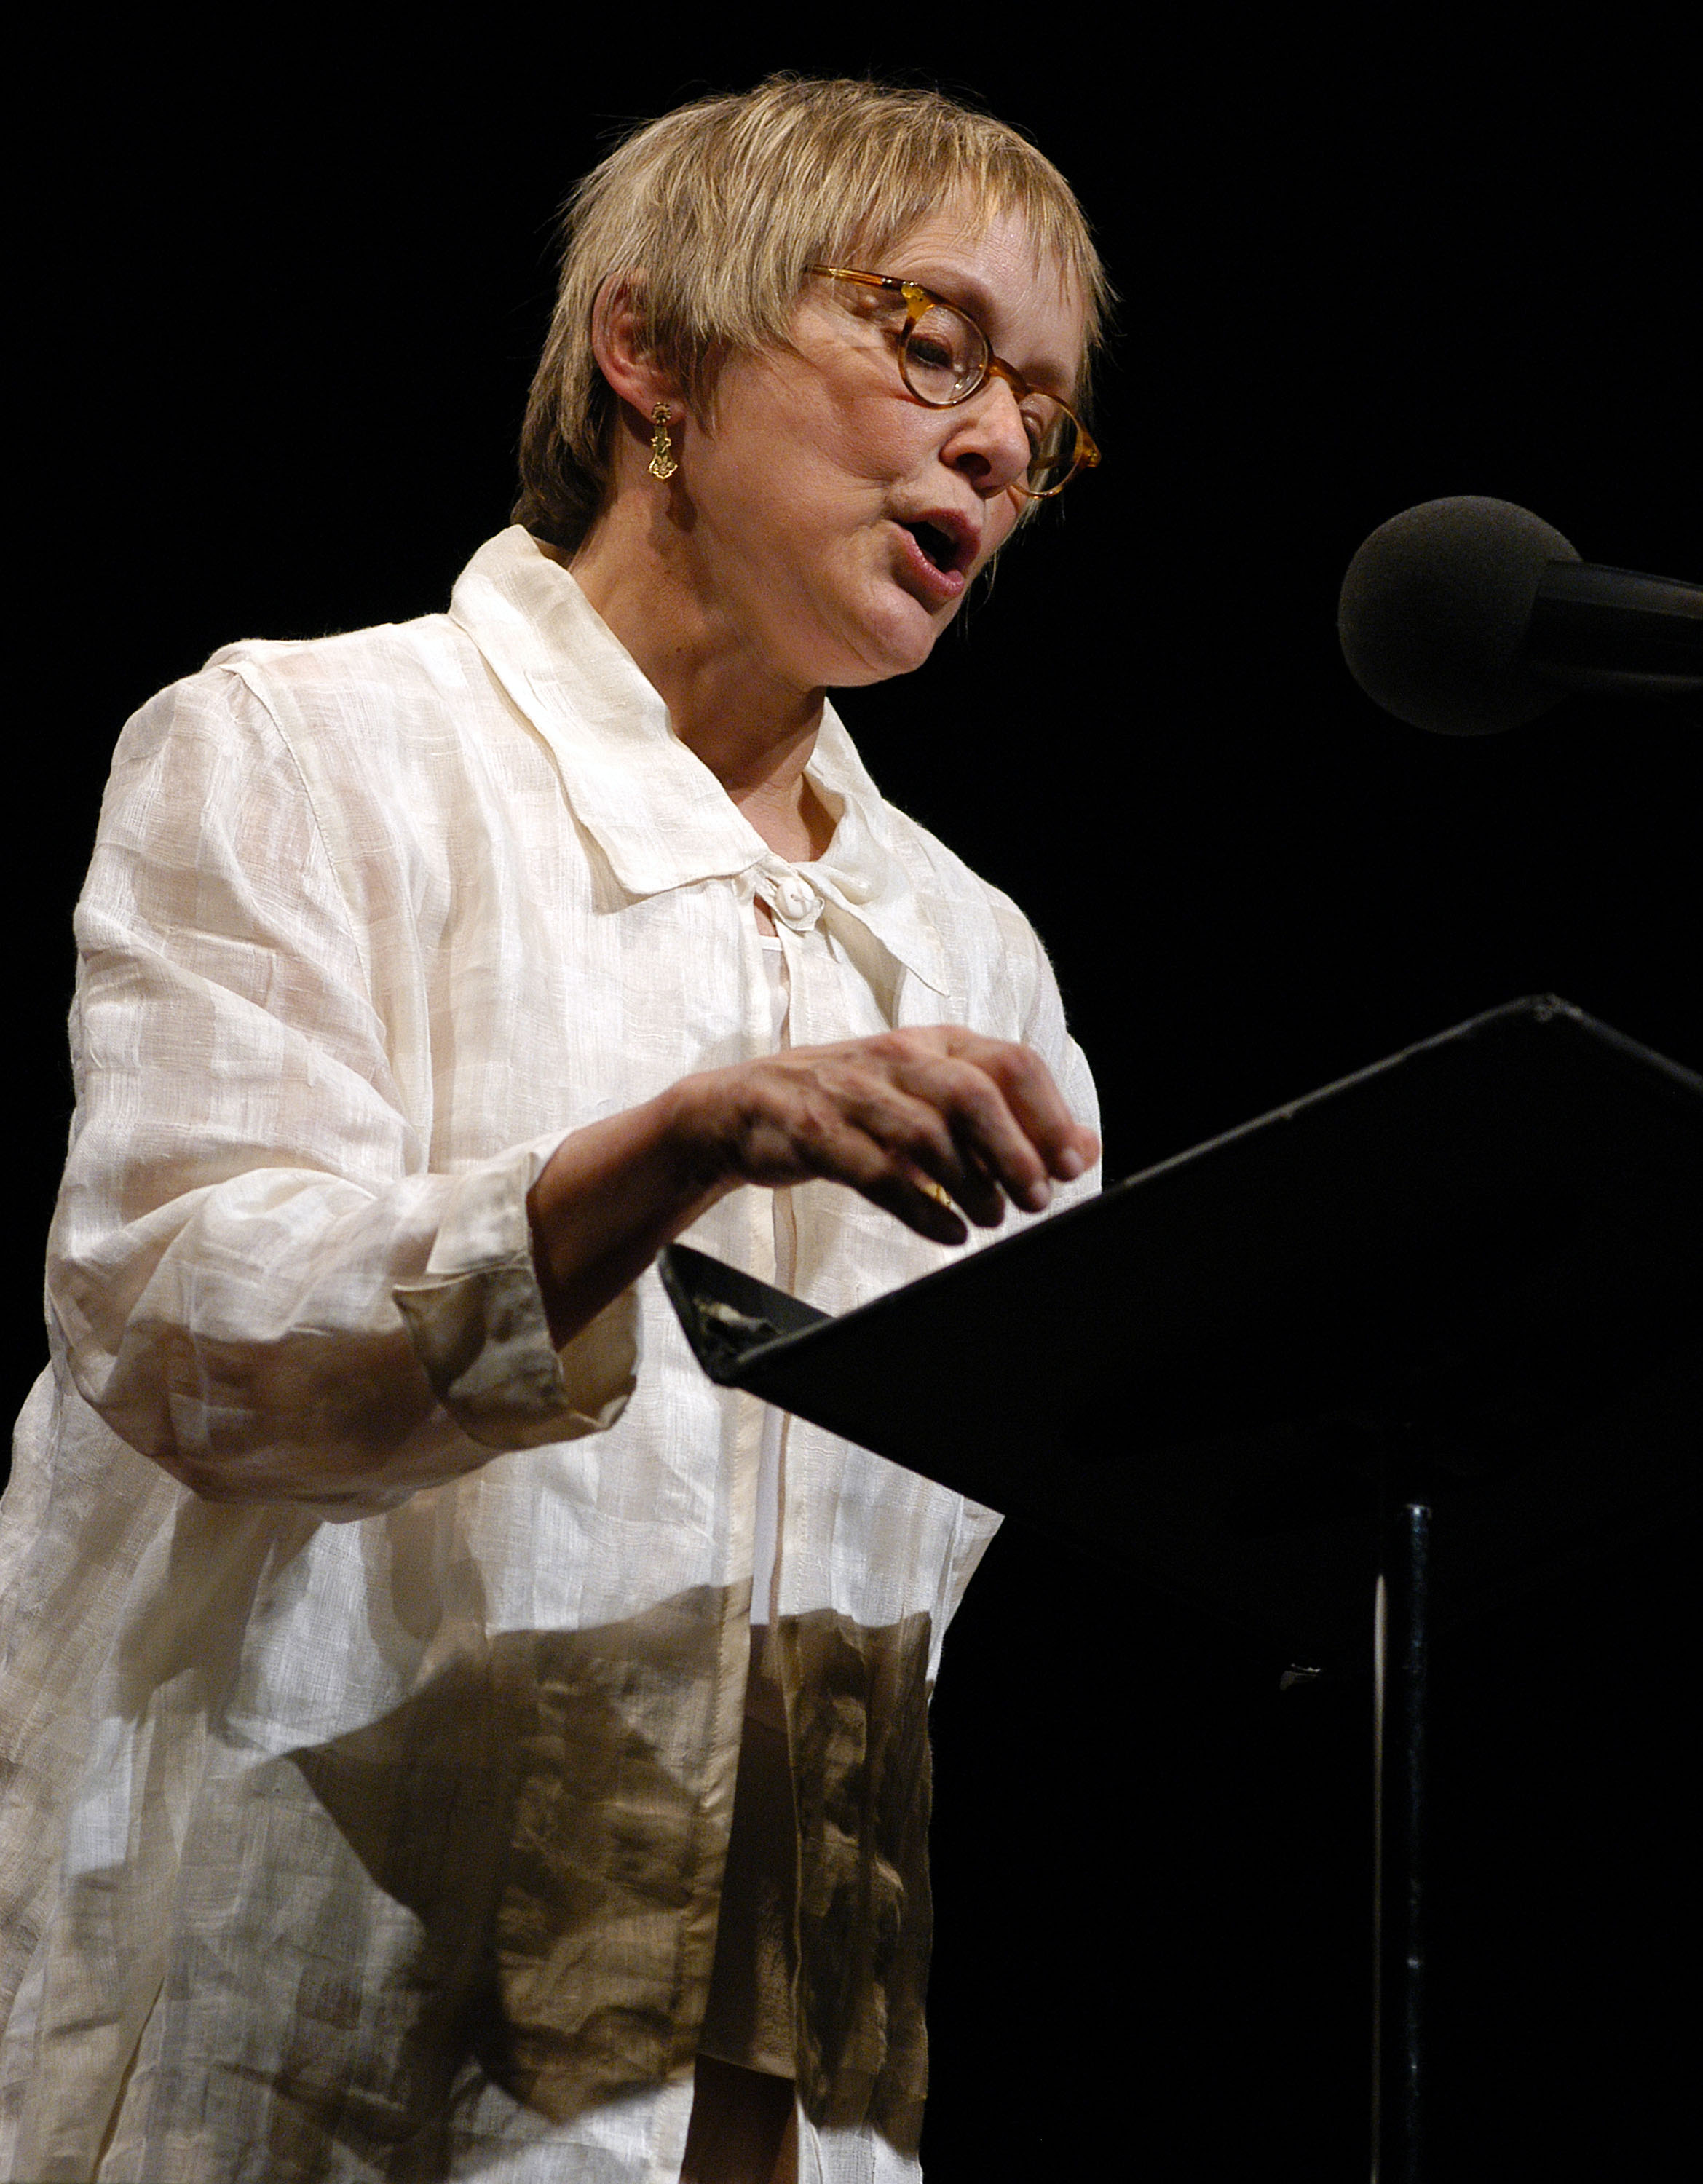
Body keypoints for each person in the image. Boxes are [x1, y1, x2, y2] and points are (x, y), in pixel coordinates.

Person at [0, 75, 1107, 2183]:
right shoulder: (314, 751)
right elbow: (183, 1324)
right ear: (651, 353)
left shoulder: (972, 955)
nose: (993, 444)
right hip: (339, 2055)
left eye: (1042, 421)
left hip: (784, 2102)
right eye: (933, 342)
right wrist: (670, 1148)